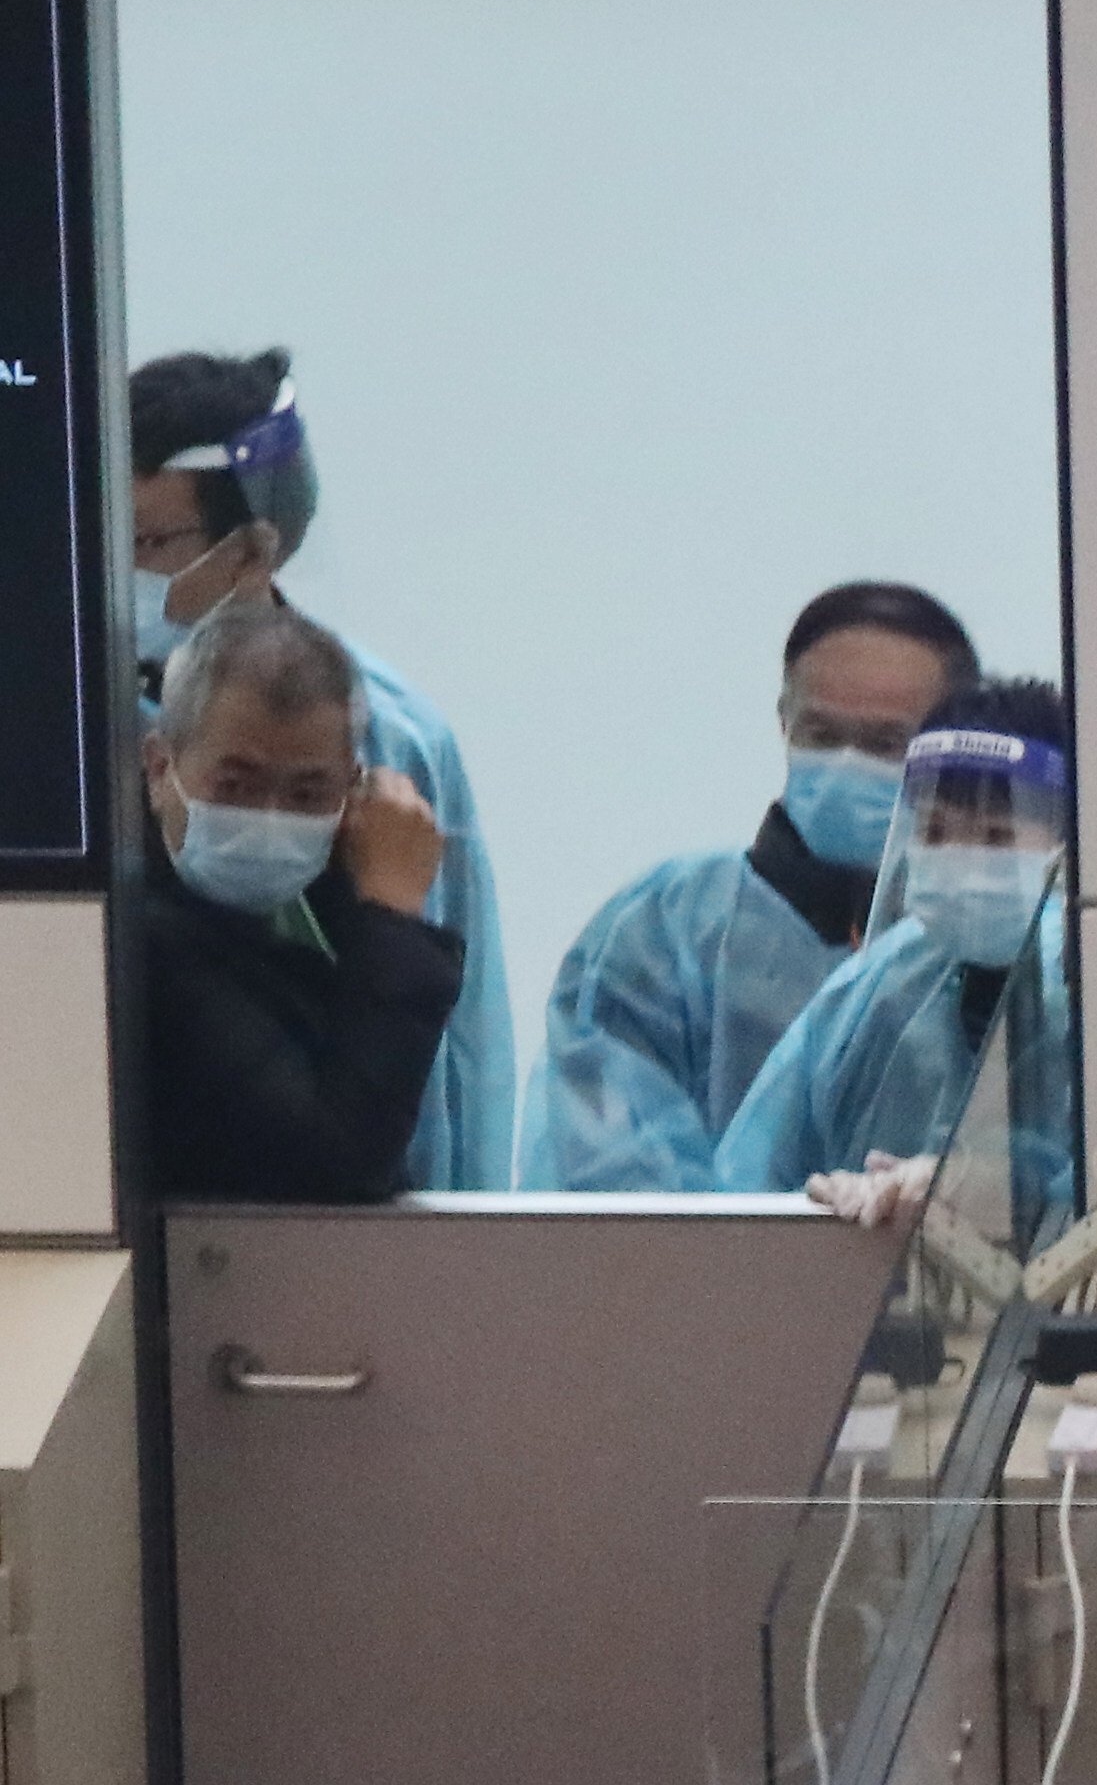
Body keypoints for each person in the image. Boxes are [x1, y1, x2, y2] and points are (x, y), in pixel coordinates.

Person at [134, 349, 513, 1187]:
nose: (119, 569)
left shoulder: (392, 738)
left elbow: (460, 1045)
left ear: (252, 550)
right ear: (160, 765)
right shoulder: (87, 729)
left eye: (152, 542)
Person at [532, 582, 979, 1190]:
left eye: (884, 744)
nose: (846, 762)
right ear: (784, 721)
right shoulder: (663, 930)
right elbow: (615, 1187)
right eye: (821, 735)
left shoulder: (983, 945)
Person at [125, 601, 464, 1203]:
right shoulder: (138, 941)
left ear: (352, 792)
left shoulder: (318, 906)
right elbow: (338, 1161)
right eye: (236, 785)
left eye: (309, 792)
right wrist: (389, 913)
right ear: (159, 768)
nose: (270, 816)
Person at [709, 677, 1080, 1227]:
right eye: (935, 831)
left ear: (1069, 842)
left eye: (996, 837)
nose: (959, 859)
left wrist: (998, 1184)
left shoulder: (1091, 987)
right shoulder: (876, 988)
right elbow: (748, 1197)